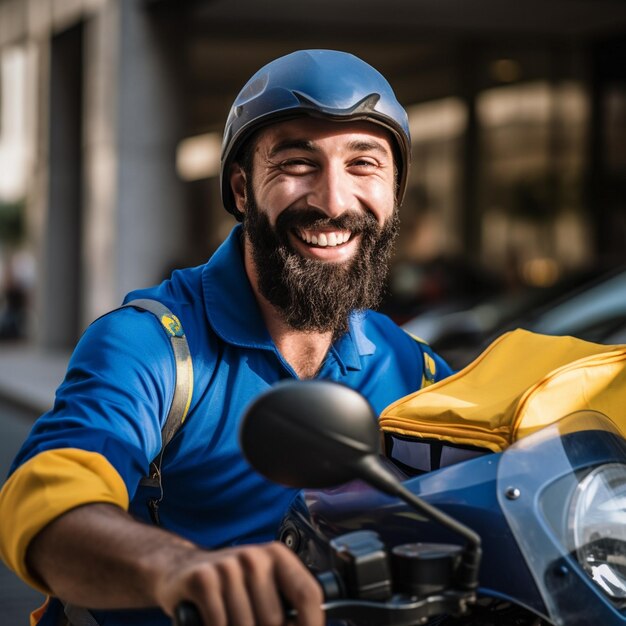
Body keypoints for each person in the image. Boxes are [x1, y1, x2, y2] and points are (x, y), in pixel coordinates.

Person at [0, 49, 453, 626]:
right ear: (242, 190)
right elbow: (46, 496)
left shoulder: (410, 363)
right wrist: (175, 569)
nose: (334, 201)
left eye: (363, 165)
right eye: (296, 163)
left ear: (394, 195)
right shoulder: (152, 346)